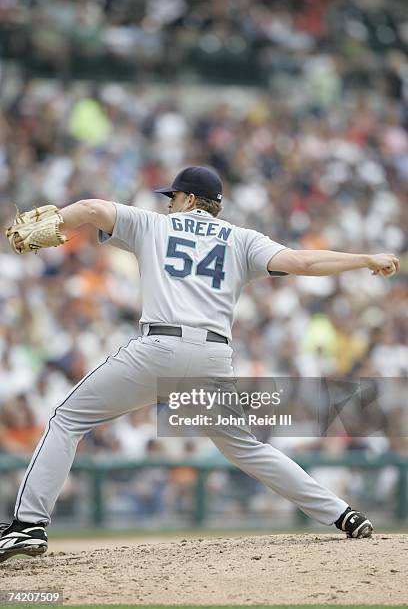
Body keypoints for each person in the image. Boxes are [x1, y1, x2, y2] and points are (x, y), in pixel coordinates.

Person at [0, 166, 399, 562]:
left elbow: (88, 208)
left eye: (172, 197)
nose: (169, 204)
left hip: (158, 347)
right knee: (246, 448)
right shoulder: (242, 239)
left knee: (68, 419)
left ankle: (28, 525)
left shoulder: (153, 225)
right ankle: (342, 514)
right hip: (212, 356)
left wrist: (56, 224)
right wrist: (364, 258)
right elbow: (302, 263)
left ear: (189, 199)